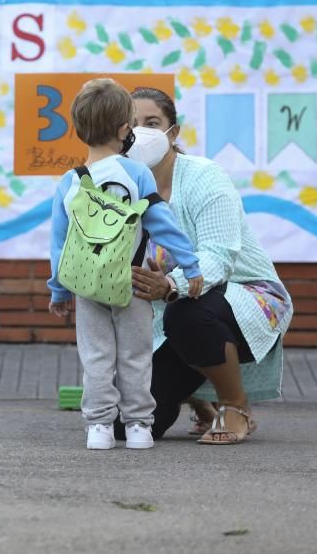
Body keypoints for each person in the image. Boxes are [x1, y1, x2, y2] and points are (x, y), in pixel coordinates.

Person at [121, 87, 293, 444]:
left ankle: (235, 406)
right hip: (171, 314)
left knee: (187, 314)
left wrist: (170, 285)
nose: (143, 132)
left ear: (174, 131)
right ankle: (201, 401)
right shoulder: (122, 188)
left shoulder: (203, 177)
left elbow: (218, 258)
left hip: (247, 298)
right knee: (129, 424)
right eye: (133, 125)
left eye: (153, 122)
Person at [47, 79, 203, 451]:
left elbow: (59, 244)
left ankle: (98, 427)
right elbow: (163, 224)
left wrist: (58, 290)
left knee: (96, 356)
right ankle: (138, 427)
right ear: (123, 130)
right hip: (131, 283)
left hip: (87, 286)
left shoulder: (70, 182)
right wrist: (191, 266)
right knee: (135, 356)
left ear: (79, 129)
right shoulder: (136, 174)